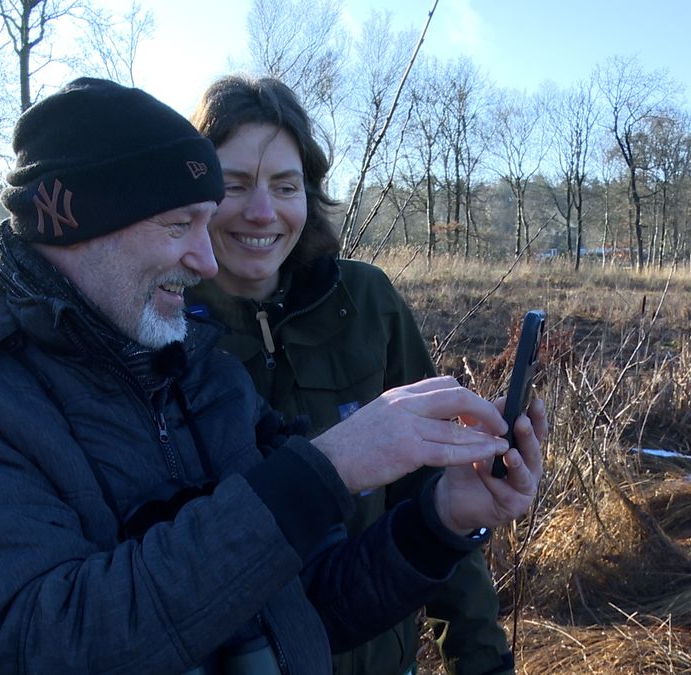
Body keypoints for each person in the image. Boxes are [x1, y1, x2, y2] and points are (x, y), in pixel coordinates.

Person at [0, 77, 546, 675]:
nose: (209, 261)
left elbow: (299, 605)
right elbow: (44, 638)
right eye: (183, 225)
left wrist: (443, 518)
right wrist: (328, 466)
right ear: (80, 226)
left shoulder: (202, 375)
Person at [185, 75, 515, 675]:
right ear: (196, 193)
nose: (263, 211)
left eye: (285, 185)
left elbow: (435, 498)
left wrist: (482, 661)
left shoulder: (368, 304)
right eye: (234, 185)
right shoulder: (161, 326)